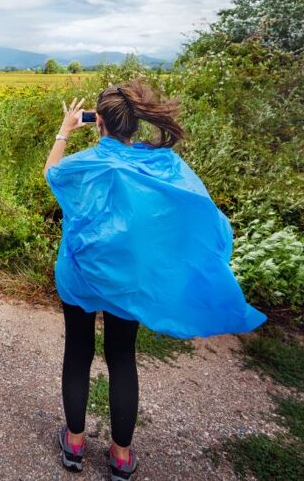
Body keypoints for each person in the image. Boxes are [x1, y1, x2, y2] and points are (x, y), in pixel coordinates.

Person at [43, 80, 266, 478]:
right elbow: (187, 205)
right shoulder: (161, 164)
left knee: (78, 352)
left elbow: (51, 174)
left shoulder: (91, 162)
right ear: (136, 124)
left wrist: (64, 130)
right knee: (121, 356)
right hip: (127, 279)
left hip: (80, 274)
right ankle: (121, 456)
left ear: (100, 123)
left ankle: (74, 444)